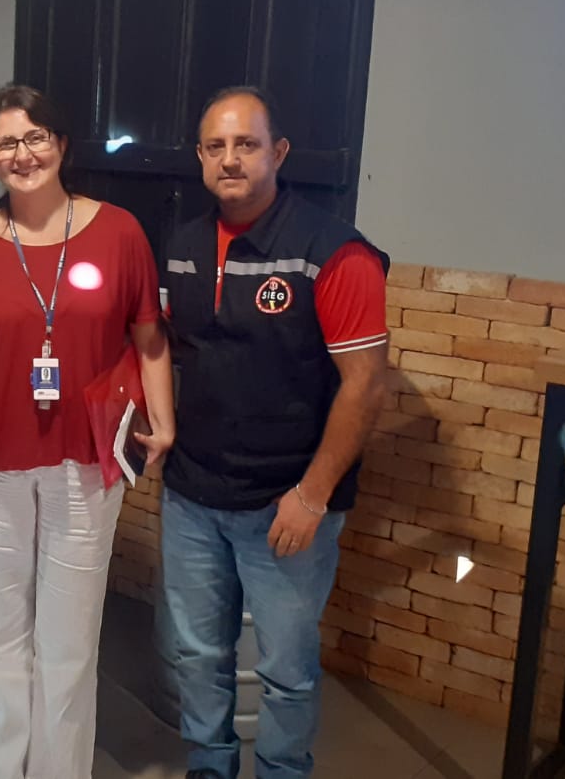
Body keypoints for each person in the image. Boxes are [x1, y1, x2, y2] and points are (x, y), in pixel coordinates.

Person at [0, 83, 175, 779]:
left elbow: (149, 337)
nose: (23, 153)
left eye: (36, 137)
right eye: (5, 142)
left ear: (62, 144)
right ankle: (1, 767)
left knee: (69, 642)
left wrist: (164, 421)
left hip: (85, 463)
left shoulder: (119, 231)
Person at [158, 87, 389, 779]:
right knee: (197, 655)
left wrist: (312, 496)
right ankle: (210, 767)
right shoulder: (182, 245)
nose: (230, 159)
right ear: (201, 156)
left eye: (246, 144)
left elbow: (364, 385)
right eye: (216, 146)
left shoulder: (333, 251)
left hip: (285, 506)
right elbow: (166, 351)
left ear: (279, 153)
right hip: (192, 497)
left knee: (286, 671)